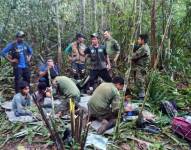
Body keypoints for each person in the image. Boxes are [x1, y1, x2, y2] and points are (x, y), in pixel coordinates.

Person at [131, 34, 150, 100]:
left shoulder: (143, 48)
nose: (138, 40)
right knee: (139, 81)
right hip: (140, 67)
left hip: (141, 67)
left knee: (140, 82)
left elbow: (134, 56)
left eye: (139, 39)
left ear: (143, 40)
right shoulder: (143, 47)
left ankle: (142, 98)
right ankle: (140, 96)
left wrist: (130, 53)